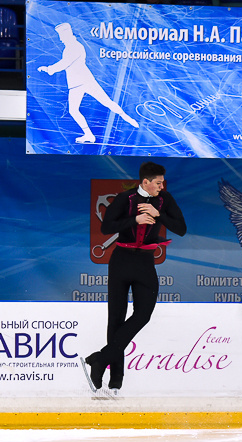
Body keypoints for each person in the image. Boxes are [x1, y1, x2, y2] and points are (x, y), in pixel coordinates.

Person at [81, 162, 187, 393]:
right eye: (158, 182)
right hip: (121, 260)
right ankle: (115, 378)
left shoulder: (165, 200)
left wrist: (159, 215)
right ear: (145, 182)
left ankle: (101, 358)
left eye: (162, 182)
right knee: (116, 318)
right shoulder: (124, 198)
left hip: (145, 263)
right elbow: (107, 227)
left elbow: (181, 228)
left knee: (143, 314)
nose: (161, 186)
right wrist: (135, 220)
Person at [37, 22, 139, 144]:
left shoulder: (75, 46)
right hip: (76, 84)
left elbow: (65, 63)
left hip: (85, 80)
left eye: (61, 35)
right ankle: (89, 135)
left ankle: (126, 117)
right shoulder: (69, 47)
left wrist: (49, 69)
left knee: (106, 102)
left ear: (67, 34)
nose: (60, 38)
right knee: (74, 110)